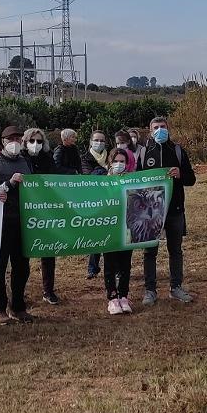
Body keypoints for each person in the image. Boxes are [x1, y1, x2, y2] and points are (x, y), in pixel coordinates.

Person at [135, 115, 197, 305]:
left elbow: (191, 179)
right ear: (150, 129)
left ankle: (176, 287)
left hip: (175, 209)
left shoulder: (178, 150)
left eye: (163, 126)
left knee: (175, 250)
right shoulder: (144, 153)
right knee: (150, 252)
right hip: (151, 212)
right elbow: (135, 181)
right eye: (156, 127)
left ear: (168, 128)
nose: (160, 130)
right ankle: (150, 290)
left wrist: (180, 174)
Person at [0, 126, 34, 325]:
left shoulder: (26, 161)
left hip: (22, 222)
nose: (15, 141)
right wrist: (8, 184)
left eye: (18, 138)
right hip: (0, 223)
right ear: (2, 141)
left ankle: (18, 307)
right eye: (11, 138)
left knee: (22, 267)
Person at [22, 127, 62, 305]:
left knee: (48, 252)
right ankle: (20, 292)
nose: (35, 144)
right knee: (21, 257)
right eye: (32, 141)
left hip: (46, 210)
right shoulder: (20, 159)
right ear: (25, 142)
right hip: (25, 210)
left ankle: (48, 291)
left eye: (39, 141)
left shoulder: (48, 158)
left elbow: (55, 179)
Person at [102, 148, 135, 315]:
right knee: (110, 263)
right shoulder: (101, 182)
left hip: (127, 227)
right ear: (110, 162)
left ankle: (124, 295)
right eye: (116, 161)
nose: (119, 164)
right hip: (108, 228)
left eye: (122, 161)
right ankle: (112, 297)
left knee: (125, 264)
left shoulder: (132, 180)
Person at [79, 130, 109, 279]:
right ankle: (93, 268)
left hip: (111, 200)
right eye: (96, 140)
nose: (99, 143)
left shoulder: (111, 156)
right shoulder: (84, 158)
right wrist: (107, 172)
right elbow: (89, 176)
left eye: (102, 140)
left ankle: (113, 267)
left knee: (111, 234)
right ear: (90, 141)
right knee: (96, 236)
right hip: (93, 201)